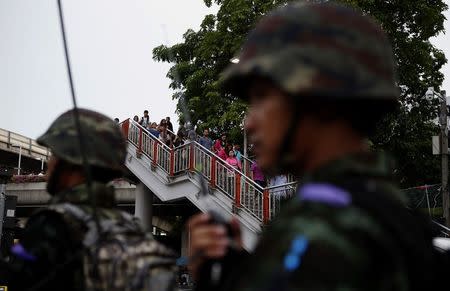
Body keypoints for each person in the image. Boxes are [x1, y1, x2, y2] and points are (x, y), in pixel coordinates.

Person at [187, 2, 445, 291]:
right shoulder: (402, 220)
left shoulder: (317, 235)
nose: (248, 123)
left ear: (314, 97)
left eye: (261, 97)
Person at [0, 108, 176, 290]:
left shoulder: (51, 224)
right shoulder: (134, 228)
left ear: (68, 159)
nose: (50, 162)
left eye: (54, 153)